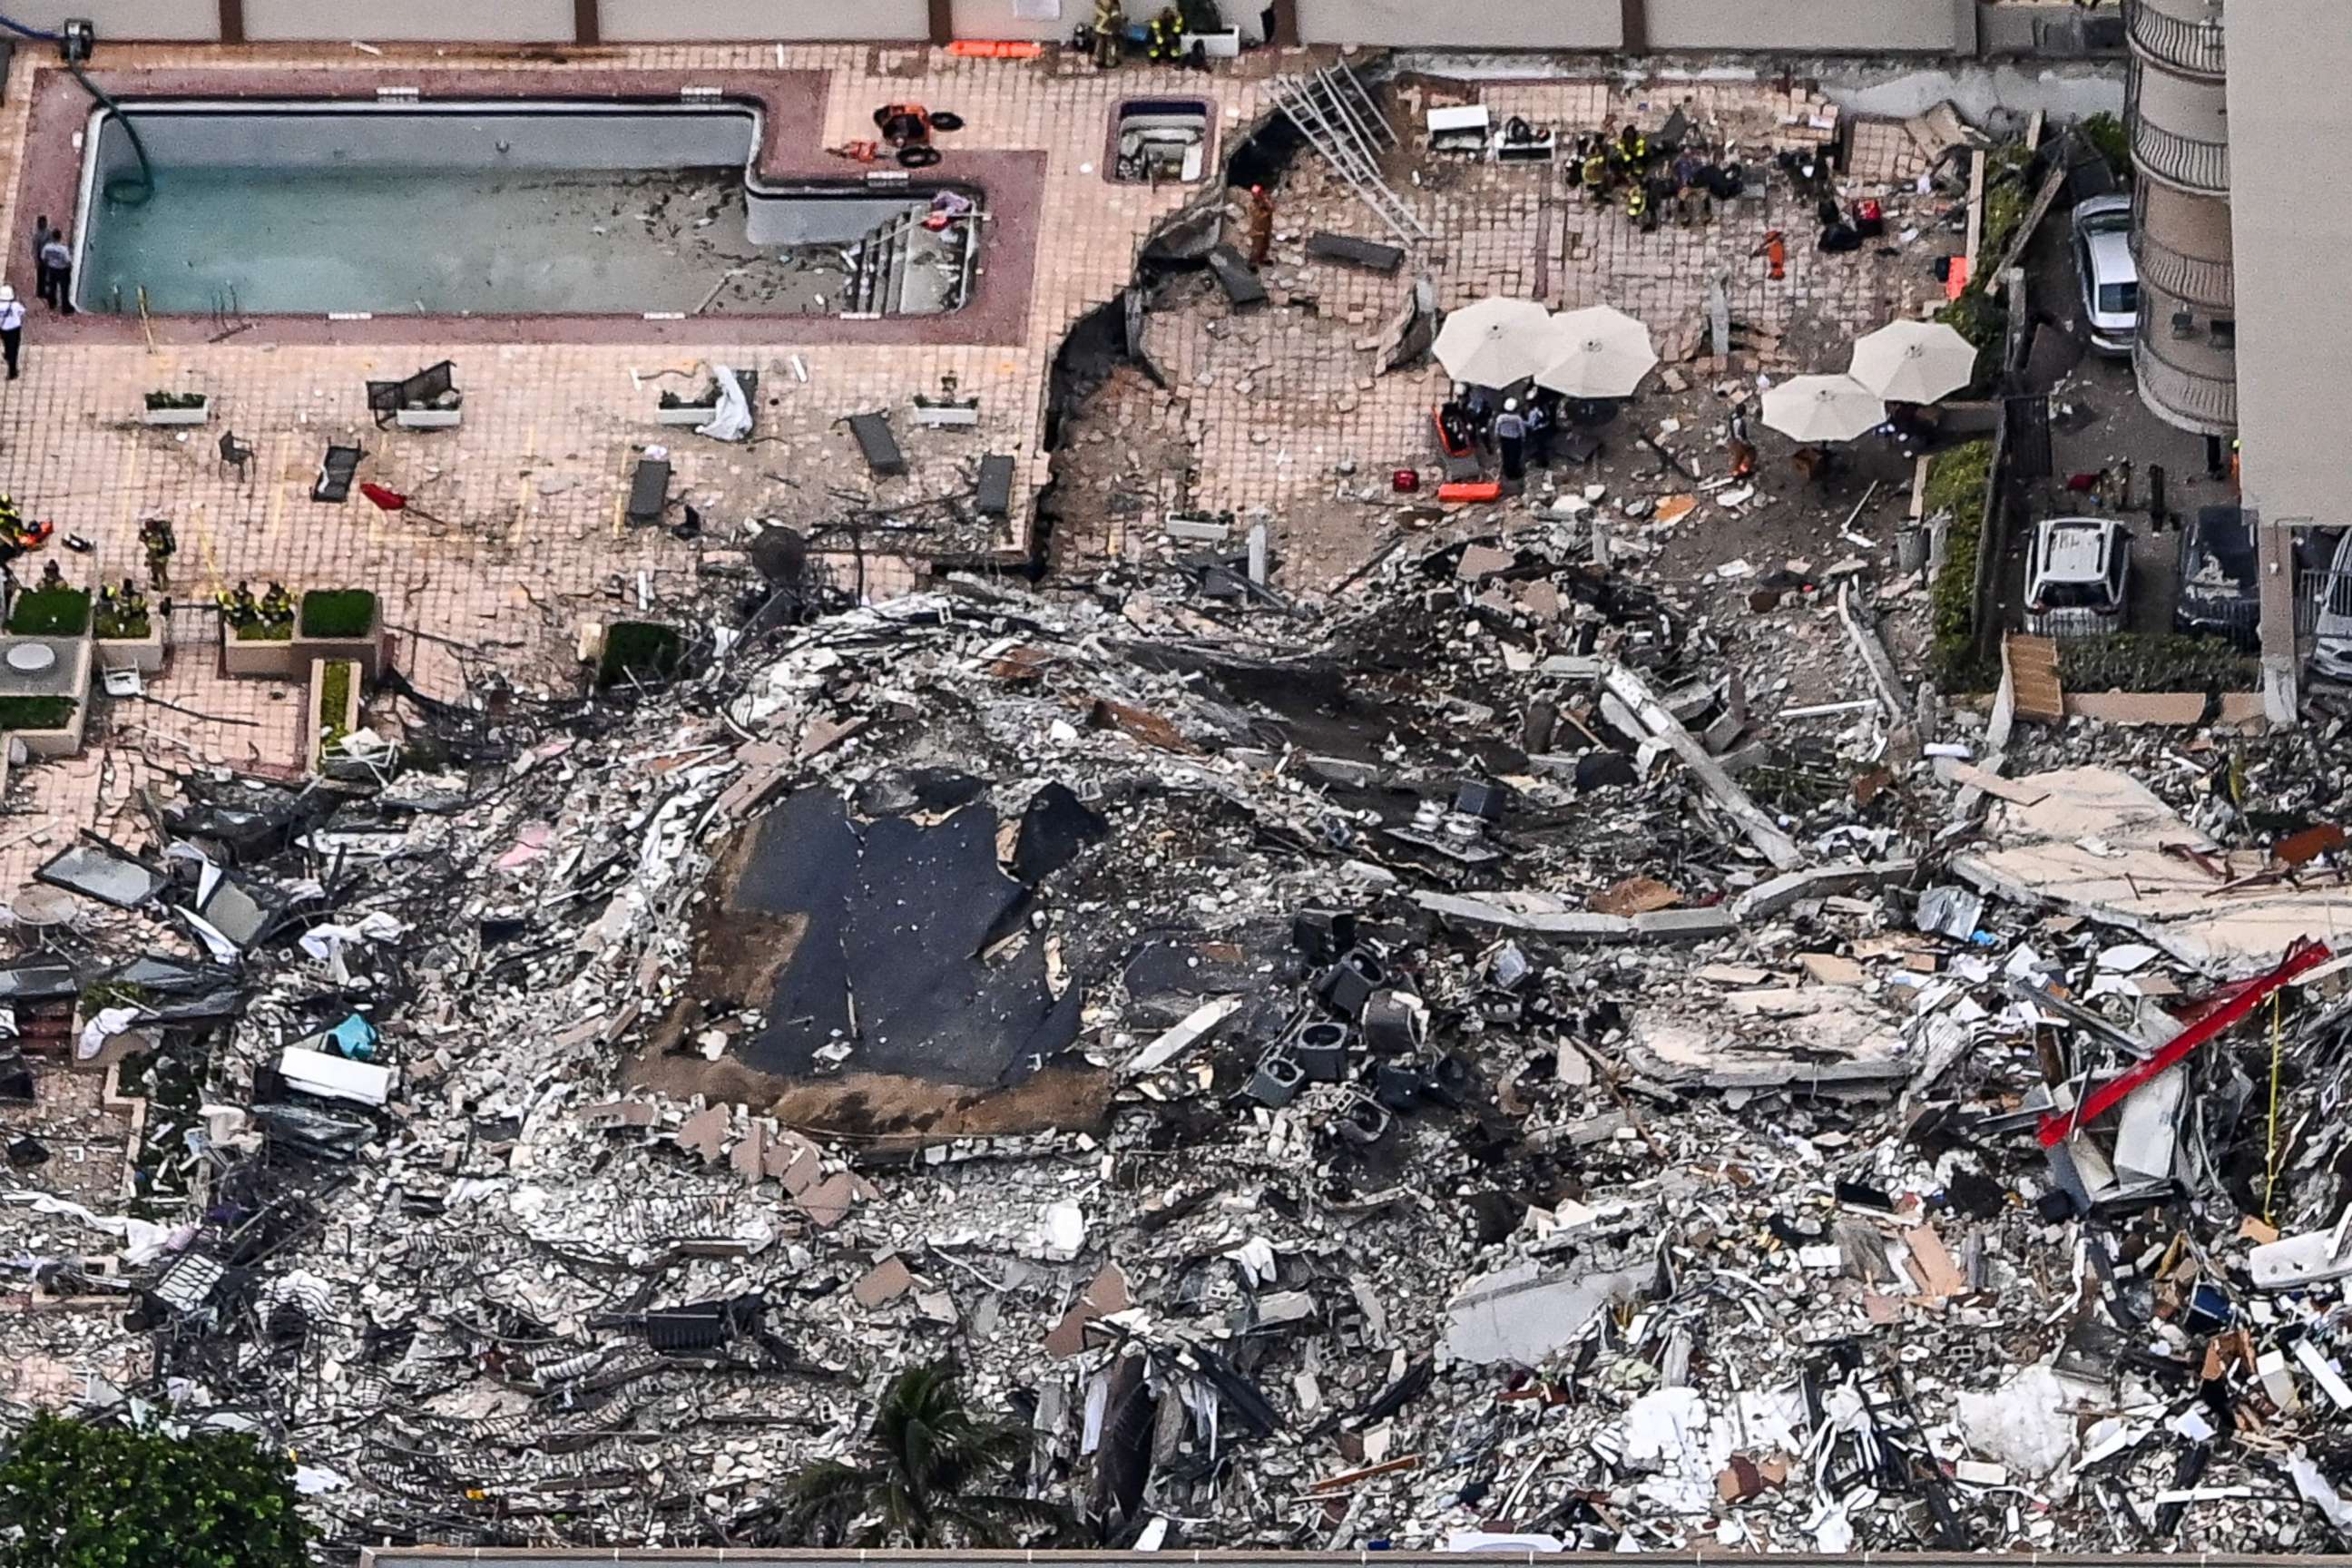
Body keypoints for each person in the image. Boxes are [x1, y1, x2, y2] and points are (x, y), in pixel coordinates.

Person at [36, 231, 70, 314]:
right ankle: (65, 308)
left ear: (52, 237)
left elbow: (43, 257)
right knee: (64, 289)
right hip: (62, 270)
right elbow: (68, 260)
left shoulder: (47, 247)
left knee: (52, 287)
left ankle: (52, 304)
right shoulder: (63, 249)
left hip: (51, 269)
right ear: (60, 237)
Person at [1494, 398, 1527, 483]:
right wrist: (1523, 438)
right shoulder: (1517, 418)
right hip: (1515, 439)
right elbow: (1522, 429)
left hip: (1504, 439)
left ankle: (1507, 472)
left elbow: (1497, 428)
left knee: (1506, 455)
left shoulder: (1501, 417)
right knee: (1515, 456)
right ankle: (1515, 472)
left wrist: (1497, 437)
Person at [1243, 183, 1274, 268]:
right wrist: (1266, 212)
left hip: (1266, 226)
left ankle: (1262, 258)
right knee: (1257, 246)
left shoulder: (1265, 200)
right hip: (1258, 229)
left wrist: (1265, 202)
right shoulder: (1253, 205)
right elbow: (1258, 216)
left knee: (1265, 245)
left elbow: (1271, 208)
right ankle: (1252, 262)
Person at [0, 286, 24, 379]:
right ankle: (12, 371)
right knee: (14, 349)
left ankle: (7, 354)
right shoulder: (15, 305)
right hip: (14, 329)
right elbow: (22, 311)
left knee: (5, 342)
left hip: (2, 328)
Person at [1092, 0, 1124, 67]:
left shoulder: (1099, 3)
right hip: (1108, 28)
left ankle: (1100, 61)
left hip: (1102, 27)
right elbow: (1116, 17)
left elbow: (1097, 15)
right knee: (1109, 44)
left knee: (1101, 43)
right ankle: (1109, 62)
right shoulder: (1114, 4)